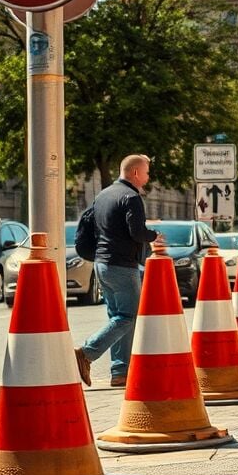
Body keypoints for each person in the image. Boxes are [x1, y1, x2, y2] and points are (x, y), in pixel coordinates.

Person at [75, 154, 159, 388]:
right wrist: (154, 235)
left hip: (102, 264)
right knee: (128, 317)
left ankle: (120, 372)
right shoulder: (131, 198)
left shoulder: (103, 195)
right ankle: (86, 353)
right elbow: (137, 233)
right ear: (135, 173)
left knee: (118, 317)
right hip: (122, 266)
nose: (148, 176)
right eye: (146, 172)